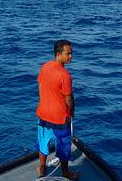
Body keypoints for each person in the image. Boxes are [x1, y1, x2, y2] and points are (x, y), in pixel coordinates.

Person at [36, 40, 79, 180]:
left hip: (43, 114)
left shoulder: (45, 66)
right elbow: (68, 98)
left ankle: (42, 168)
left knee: (43, 141)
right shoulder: (65, 75)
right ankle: (66, 172)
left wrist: (43, 103)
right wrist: (72, 110)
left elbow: (40, 87)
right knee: (63, 145)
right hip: (59, 118)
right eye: (68, 53)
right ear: (59, 54)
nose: (71, 56)